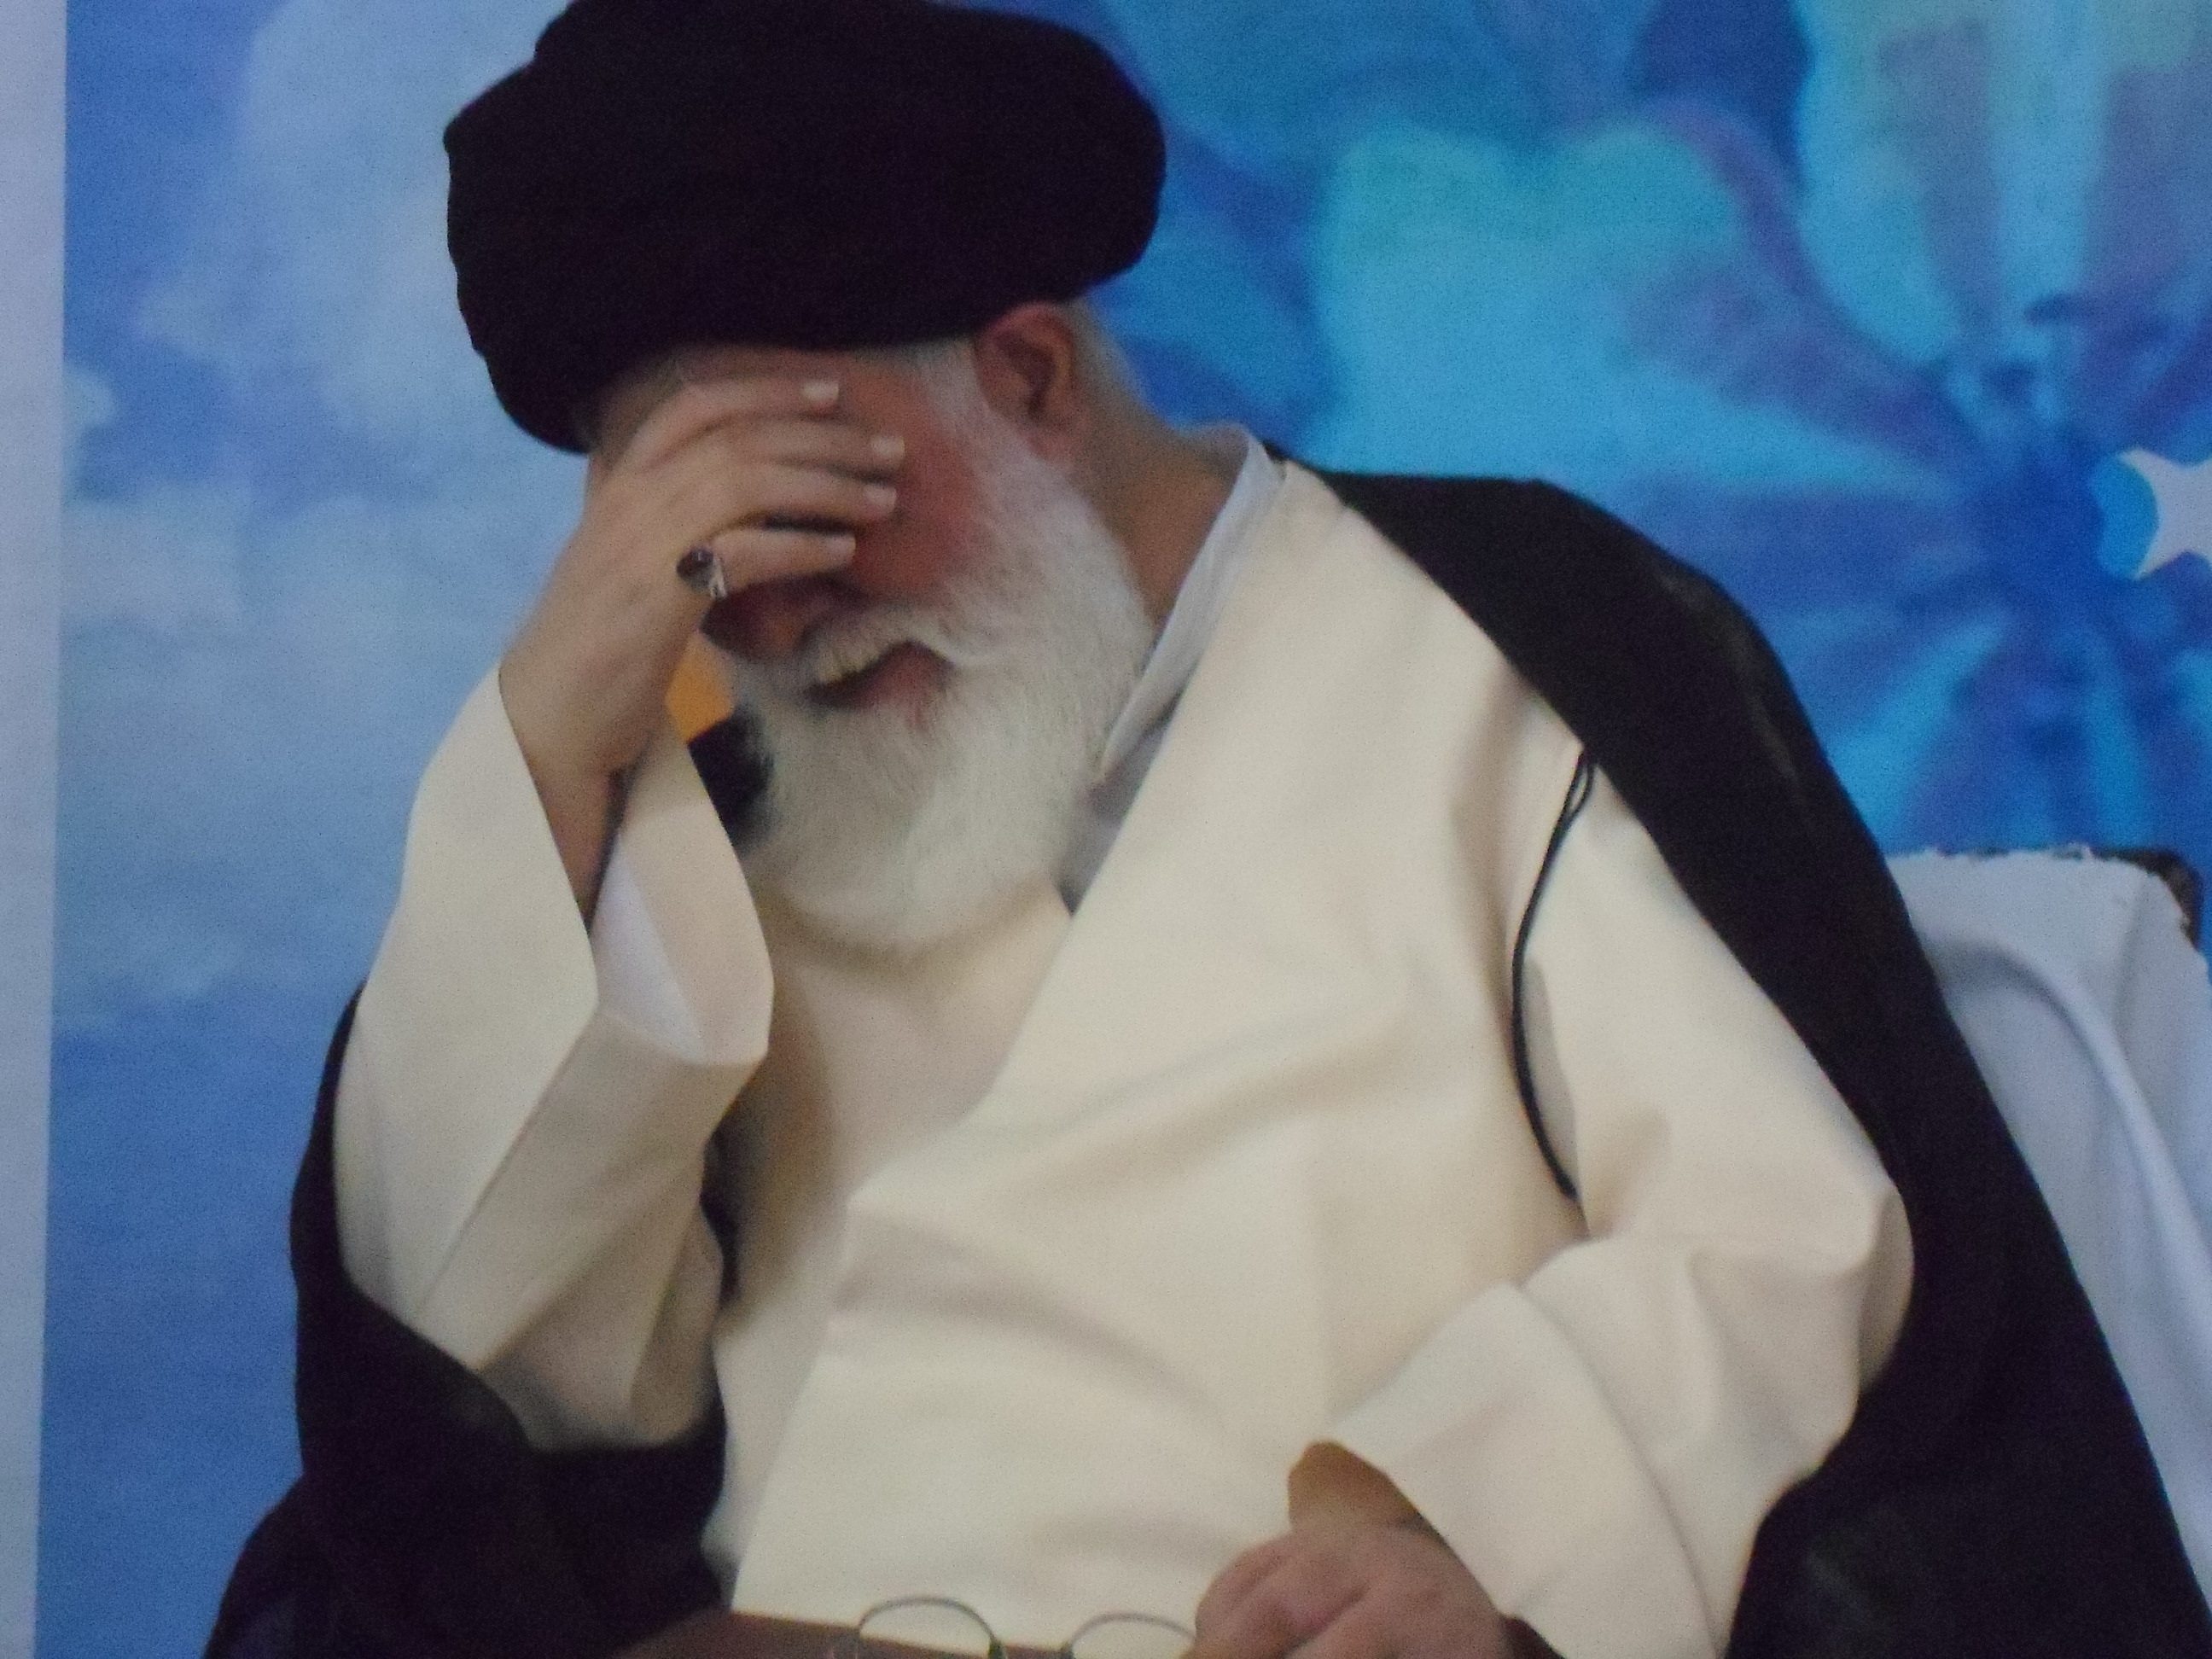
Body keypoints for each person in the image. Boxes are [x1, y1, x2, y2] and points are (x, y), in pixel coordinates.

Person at [208, 3, 2212, 1657]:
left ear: (1030, 375)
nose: (774, 620)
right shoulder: (701, 847)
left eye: (806, 501)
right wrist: (554, 740)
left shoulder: (1509, 639)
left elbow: (1769, 1221)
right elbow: (488, 1421)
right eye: (699, 555)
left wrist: (1471, 1537)